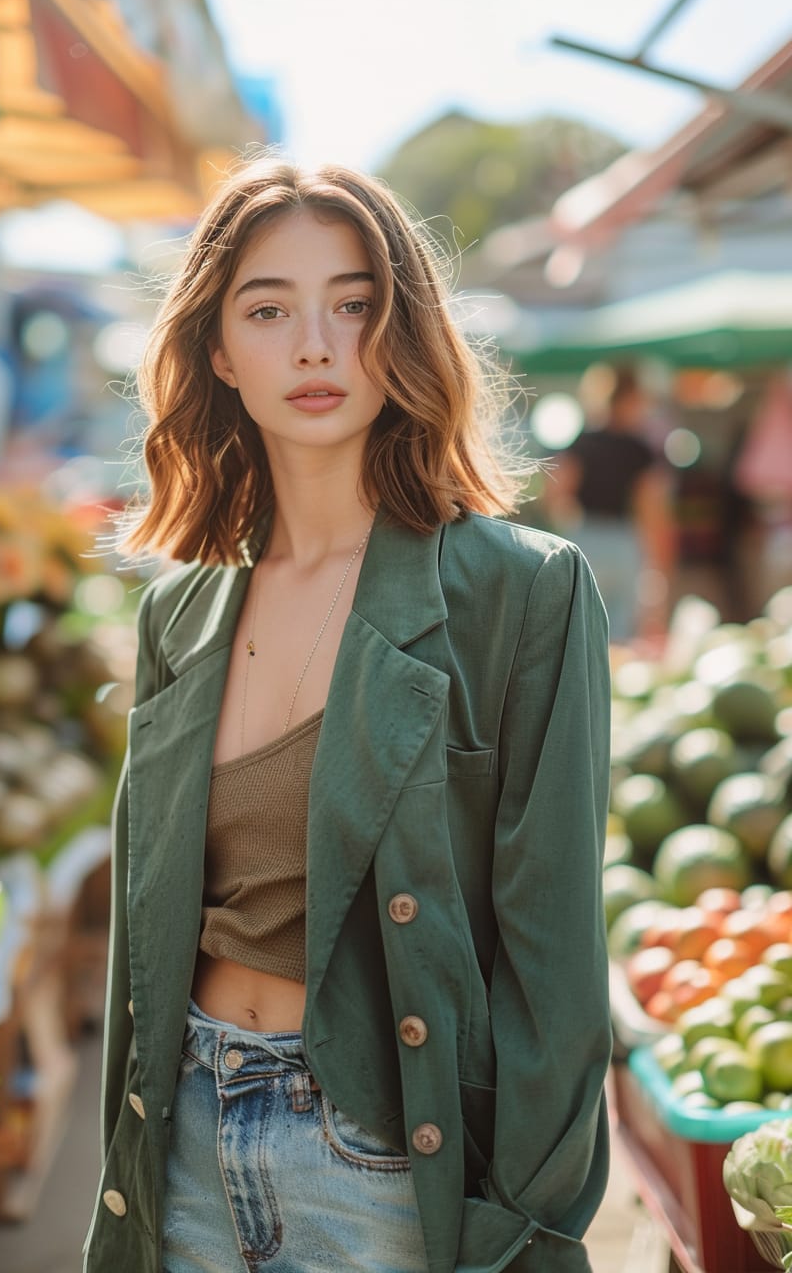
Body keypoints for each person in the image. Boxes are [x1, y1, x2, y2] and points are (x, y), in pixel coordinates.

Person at [83, 160, 612, 1273]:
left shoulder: (520, 591)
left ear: (402, 329)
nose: (316, 345)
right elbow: (146, 936)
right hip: (181, 1144)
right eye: (268, 309)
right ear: (218, 352)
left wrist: (520, 1226)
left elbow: (554, 960)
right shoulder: (180, 612)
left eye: (354, 303)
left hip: (378, 1163)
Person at [546, 364, 674, 645]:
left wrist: (570, 525)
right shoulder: (639, 450)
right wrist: (659, 564)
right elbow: (651, 509)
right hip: (622, 540)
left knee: (580, 627)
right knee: (618, 632)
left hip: (585, 537)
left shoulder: (583, 441)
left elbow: (556, 492)